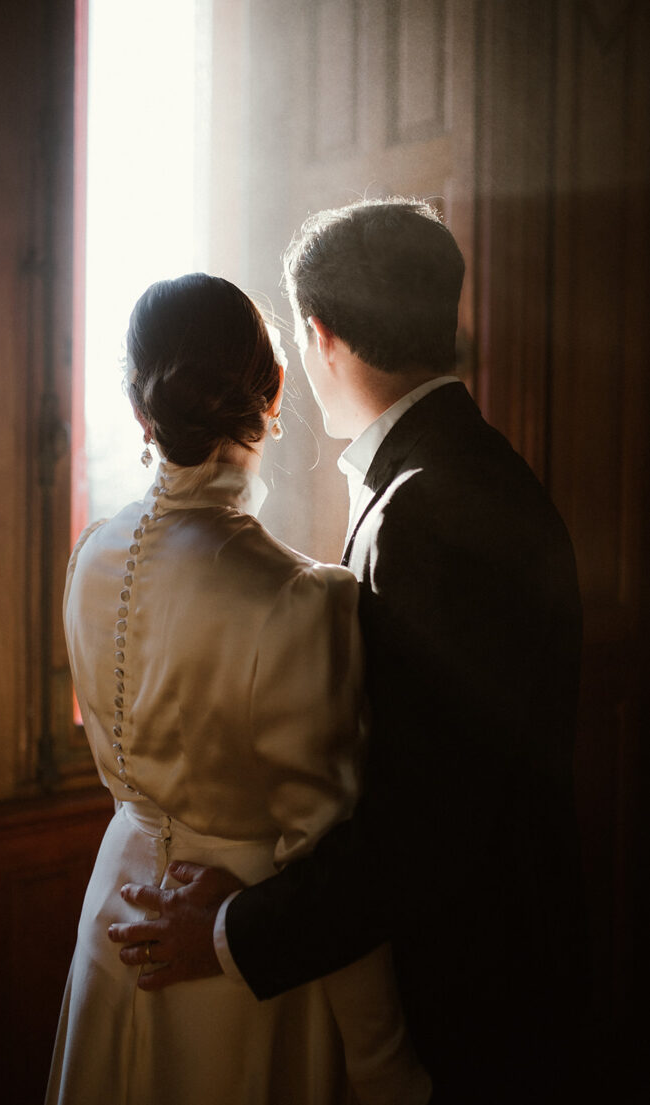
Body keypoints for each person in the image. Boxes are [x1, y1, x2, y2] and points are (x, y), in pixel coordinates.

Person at [109, 200, 588, 1105]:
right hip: (483, 961)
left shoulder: (428, 512)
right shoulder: (460, 472)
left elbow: (426, 824)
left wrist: (230, 930)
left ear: (319, 335)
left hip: (474, 997)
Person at [46, 272, 432, 1105]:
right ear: (274, 391)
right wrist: (385, 1066)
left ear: (138, 408)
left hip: (115, 920)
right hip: (238, 972)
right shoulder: (297, 598)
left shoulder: (87, 556)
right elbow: (326, 855)